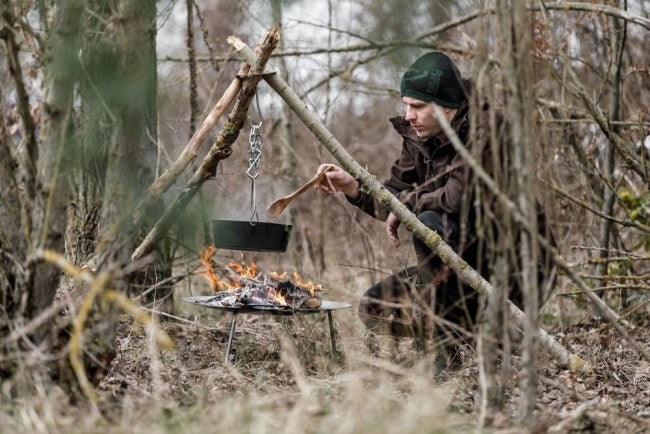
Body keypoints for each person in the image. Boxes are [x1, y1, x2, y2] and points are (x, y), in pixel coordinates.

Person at [315, 51, 556, 354]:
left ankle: (450, 350)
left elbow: (455, 200)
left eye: (417, 106)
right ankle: (468, 331)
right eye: (406, 105)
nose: (408, 115)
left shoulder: (488, 132)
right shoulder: (419, 136)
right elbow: (394, 196)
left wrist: (405, 205)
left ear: (447, 107)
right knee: (374, 308)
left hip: (517, 269)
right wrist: (351, 187)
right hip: (459, 263)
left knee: (428, 222)